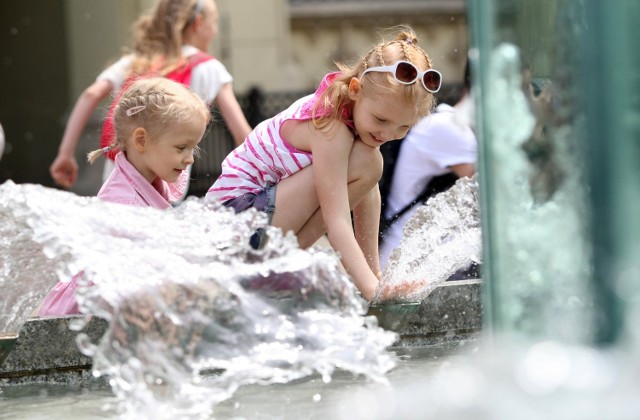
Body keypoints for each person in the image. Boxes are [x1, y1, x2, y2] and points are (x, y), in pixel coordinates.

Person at [207, 27, 442, 302]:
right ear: (355, 89)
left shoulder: (352, 126)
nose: (388, 134)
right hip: (232, 229)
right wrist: (374, 294)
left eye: (403, 127)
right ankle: (273, 268)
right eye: (381, 120)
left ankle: (280, 265)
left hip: (251, 227)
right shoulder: (331, 127)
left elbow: (367, 193)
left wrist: (375, 276)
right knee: (368, 162)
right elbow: (337, 220)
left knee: (368, 162)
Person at [38, 77, 211, 316]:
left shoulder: (146, 181)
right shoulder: (124, 206)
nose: (190, 158)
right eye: (181, 148)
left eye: (194, 148)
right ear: (141, 140)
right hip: (77, 322)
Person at [50, 0, 251, 190]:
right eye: (214, 22)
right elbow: (243, 136)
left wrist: (65, 153)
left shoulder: (135, 61)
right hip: (166, 189)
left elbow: (90, 94)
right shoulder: (209, 67)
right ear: (198, 23)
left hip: (117, 178)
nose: (215, 30)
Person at [378, 60, 477, 271]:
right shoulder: (451, 129)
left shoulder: (450, 125)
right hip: (410, 267)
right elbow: (496, 197)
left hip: (417, 261)